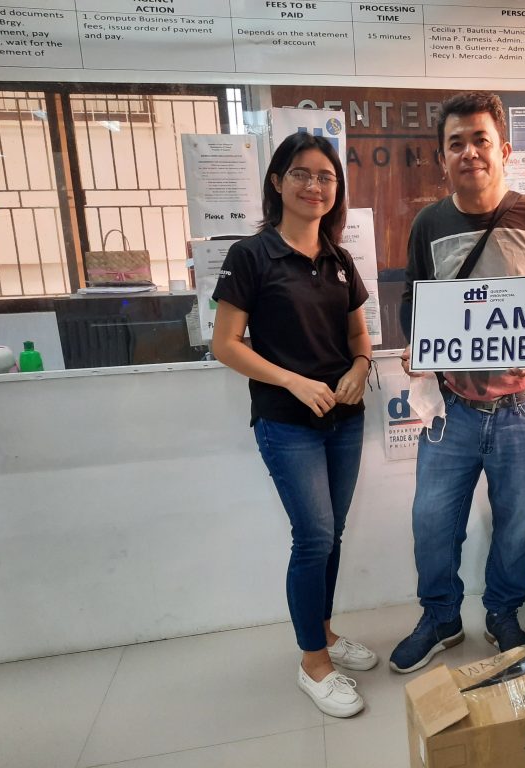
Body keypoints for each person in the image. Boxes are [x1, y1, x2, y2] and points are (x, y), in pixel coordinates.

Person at [389, 92, 525, 674]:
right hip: (453, 408)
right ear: (442, 158)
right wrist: (420, 347)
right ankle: (441, 617)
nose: (469, 152)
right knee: (431, 520)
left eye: (479, 140)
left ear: (504, 149)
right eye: (456, 144)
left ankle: (502, 612)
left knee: (517, 521)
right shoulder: (430, 223)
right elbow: (411, 302)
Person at [211, 132, 376, 718]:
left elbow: (360, 338)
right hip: (287, 421)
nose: (315, 186)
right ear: (277, 182)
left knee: (329, 535)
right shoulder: (251, 255)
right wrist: (293, 381)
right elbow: (225, 345)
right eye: (302, 174)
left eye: (326, 177)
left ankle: (325, 633)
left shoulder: (339, 259)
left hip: (345, 419)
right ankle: (313, 662)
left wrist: (360, 367)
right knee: (311, 537)